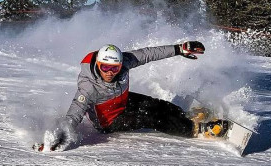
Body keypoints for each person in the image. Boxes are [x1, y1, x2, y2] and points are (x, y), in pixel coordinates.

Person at [43, 41, 209, 151]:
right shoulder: (88, 87)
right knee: (150, 117)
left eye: (115, 68)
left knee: (156, 104)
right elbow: (74, 113)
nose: (110, 73)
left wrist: (179, 49)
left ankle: (184, 116)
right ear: (98, 64)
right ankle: (194, 129)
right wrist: (60, 135)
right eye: (105, 67)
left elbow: (148, 53)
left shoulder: (126, 62)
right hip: (109, 121)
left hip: (121, 100)